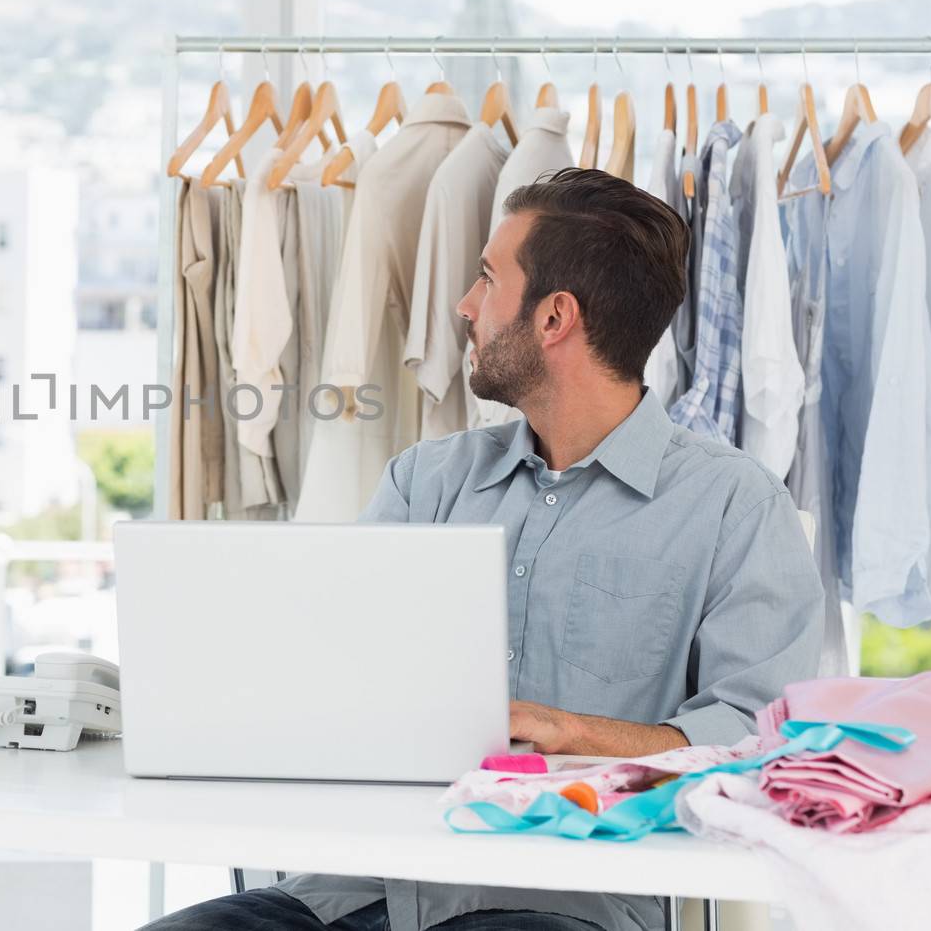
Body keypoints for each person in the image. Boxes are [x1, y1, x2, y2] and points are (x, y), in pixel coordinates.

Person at [143, 168, 823, 931]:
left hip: (564, 905)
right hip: (363, 888)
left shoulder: (733, 505)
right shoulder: (425, 482)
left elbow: (765, 745)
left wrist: (580, 734)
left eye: (488, 279)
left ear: (554, 317)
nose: (465, 306)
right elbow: (334, 672)